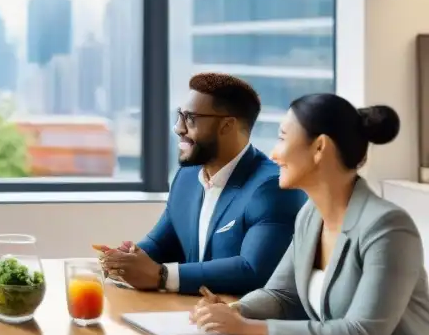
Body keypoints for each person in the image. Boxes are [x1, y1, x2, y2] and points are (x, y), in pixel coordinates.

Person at [193, 94, 429, 335]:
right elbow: (281, 294)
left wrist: (248, 329)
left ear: (319, 148)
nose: (274, 154)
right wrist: (233, 312)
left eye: (282, 138)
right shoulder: (310, 215)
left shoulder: (388, 227)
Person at [100, 73, 306, 296]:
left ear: (227, 125)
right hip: (191, 313)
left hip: (240, 322)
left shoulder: (271, 188)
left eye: (190, 119)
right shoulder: (187, 177)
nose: (178, 128)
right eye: (179, 116)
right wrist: (126, 260)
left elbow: (254, 271)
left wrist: (162, 276)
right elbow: (160, 244)